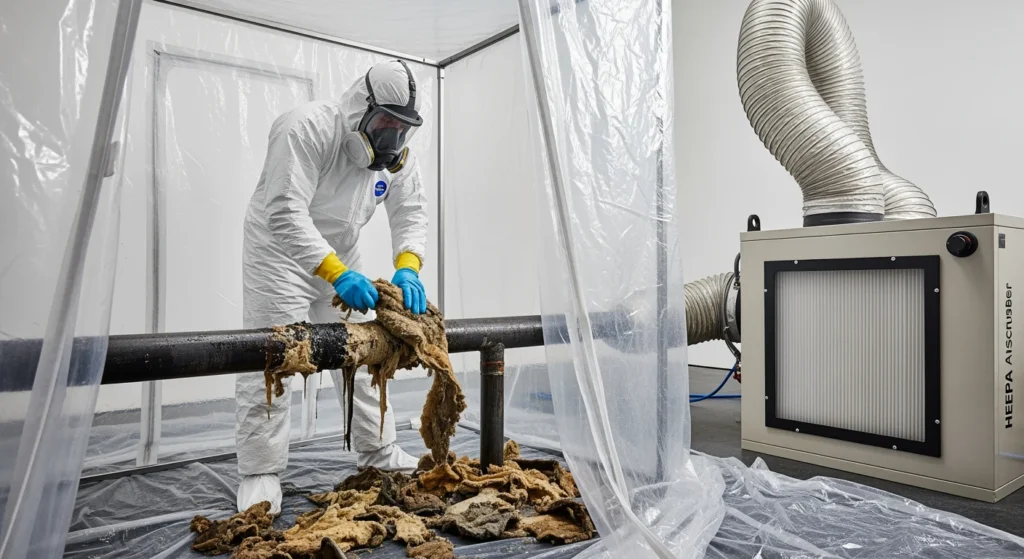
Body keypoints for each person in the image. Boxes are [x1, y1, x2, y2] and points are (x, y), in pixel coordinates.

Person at [236, 60, 430, 515]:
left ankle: (378, 451)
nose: (392, 139)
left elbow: (411, 211)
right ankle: (260, 471)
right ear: (361, 107)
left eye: (402, 128)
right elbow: (284, 210)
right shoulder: (306, 128)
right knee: (273, 357)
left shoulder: (398, 158)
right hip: (277, 251)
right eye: (385, 124)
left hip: (340, 251)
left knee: (365, 347)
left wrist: (408, 267)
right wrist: (337, 275)